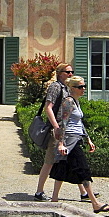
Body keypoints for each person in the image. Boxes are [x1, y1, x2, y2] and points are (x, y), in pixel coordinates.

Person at [50, 75, 109, 213]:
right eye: (80, 87)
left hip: (76, 138)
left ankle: (54, 200)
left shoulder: (76, 102)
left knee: (63, 167)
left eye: (84, 86)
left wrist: (88, 138)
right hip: (70, 140)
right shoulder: (68, 101)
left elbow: (79, 123)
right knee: (83, 170)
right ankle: (95, 203)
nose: (83, 89)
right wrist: (61, 143)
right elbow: (63, 123)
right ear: (72, 88)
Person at [33, 63, 91, 202]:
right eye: (67, 72)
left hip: (67, 131)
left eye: (72, 72)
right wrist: (55, 127)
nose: (70, 74)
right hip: (59, 129)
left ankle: (84, 192)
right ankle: (39, 191)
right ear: (59, 73)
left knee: (72, 160)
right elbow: (48, 107)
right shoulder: (55, 87)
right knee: (50, 161)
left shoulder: (67, 88)